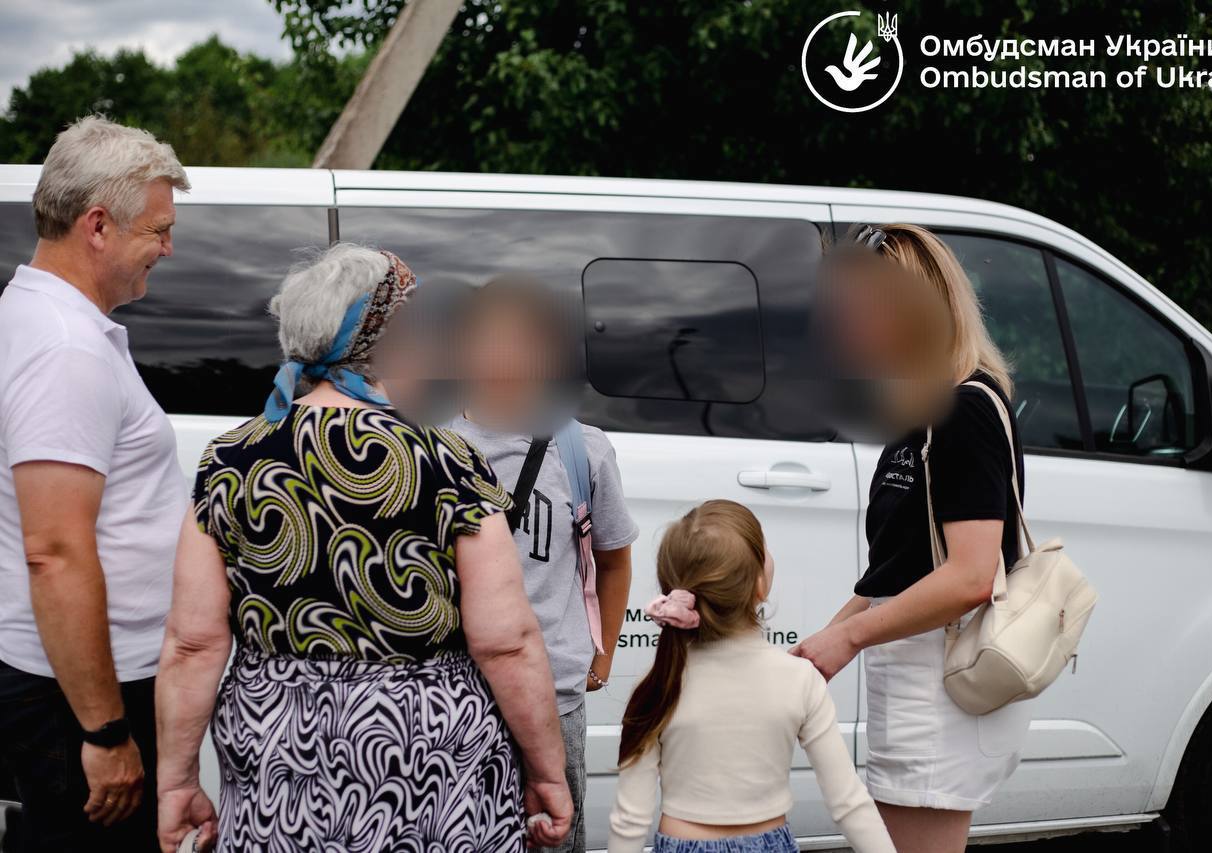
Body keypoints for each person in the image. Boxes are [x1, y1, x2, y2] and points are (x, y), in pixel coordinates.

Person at [152, 244, 572, 853]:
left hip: (277, 745)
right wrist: (547, 772)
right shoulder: (447, 460)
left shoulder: (231, 459)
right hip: (428, 751)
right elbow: (506, 641)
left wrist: (177, 782)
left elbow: (192, 643)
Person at [793, 224, 1034, 853]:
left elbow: (971, 575)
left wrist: (849, 638)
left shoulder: (965, 410)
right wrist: (822, 645)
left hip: (938, 691)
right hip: (912, 682)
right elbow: (899, 571)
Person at [0, 116, 190, 852]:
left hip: (74, 683)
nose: (169, 249)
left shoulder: (42, 319)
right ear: (99, 225)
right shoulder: (65, 349)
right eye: (159, 230)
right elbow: (54, 551)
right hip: (78, 697)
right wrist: (106, 732)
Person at [447, 277, 638, 853]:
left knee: (553, 836)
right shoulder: (432, 447)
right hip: (456, 693)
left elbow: (613, 559)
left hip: (554, 693)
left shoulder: (582, 451)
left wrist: (602, 652)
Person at [608, 500, 895, 853]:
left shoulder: (657, 686)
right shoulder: (799, 679)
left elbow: (630, 821)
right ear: (759, 585)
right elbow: (849, 804)